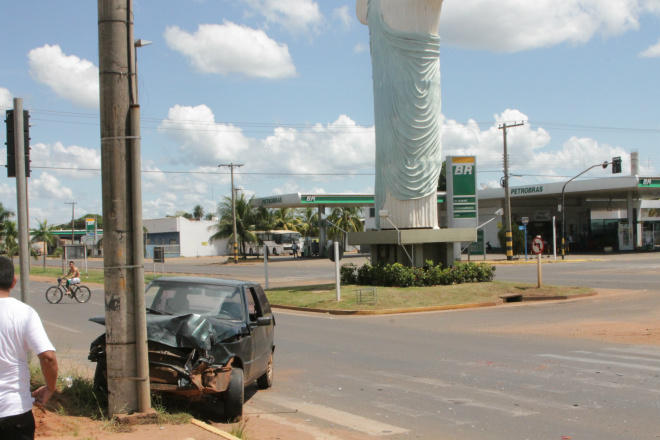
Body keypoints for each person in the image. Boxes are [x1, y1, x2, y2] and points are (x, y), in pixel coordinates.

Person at [0, 256, 58, 440]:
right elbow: (48, 357)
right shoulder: (25, 313)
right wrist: (50, 388)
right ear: (13, 282)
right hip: (14, 411)